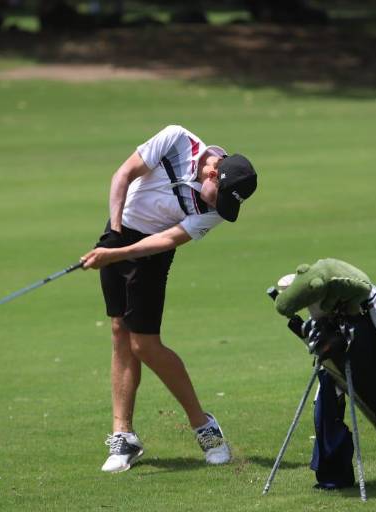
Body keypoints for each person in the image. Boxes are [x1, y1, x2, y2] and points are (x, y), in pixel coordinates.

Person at [79, 125, 257, 473]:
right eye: (217, 196)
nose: (216, 207)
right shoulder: (177, 139)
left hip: (152, 253)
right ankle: (123, 435)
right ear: (212, 172)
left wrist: (117, 254)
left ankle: (204, 426)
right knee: (119, 331)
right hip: (119, 229)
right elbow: (124, 175)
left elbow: (168, 240)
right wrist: (114, 235)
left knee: (144, 345)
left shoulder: (217, 210)